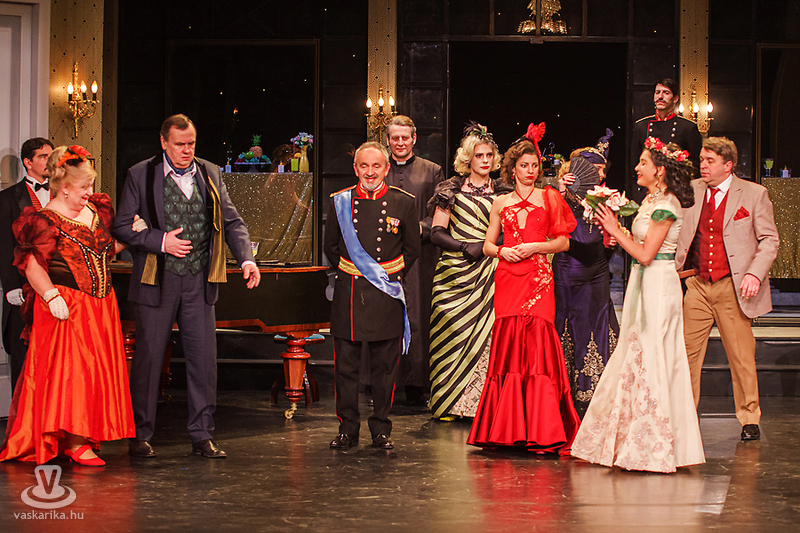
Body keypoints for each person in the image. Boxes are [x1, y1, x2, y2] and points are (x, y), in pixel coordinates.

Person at [113, 114, 261, 459]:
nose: (186, 150)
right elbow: (121, 226)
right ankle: (140, 435)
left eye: (191, 143)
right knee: (149, 359)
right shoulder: (141, 174)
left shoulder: (210, 172)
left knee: (203, 361)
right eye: (179, 144)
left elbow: (232, 221)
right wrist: (160, 241)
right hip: (157, 280)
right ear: (163, 142)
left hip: (198, 280)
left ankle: (202, 434)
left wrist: (246, 259)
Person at [571, 137, 705, 473]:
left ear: (659, 170)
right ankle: (628, 439)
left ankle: (653, 446)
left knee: (653, 353)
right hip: (643, 282)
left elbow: (647, 254)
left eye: (643, 163)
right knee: (636, 351)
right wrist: (617, 232)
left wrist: (616, 229)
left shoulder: (668, 204)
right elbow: (639, 245)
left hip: (659, 283)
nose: (636, 167)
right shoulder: (650, 200)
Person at [0, 145, 135, 466]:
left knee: (94, 373)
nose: (90, 192)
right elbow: (32, 265)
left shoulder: (95, 210)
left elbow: (102, 250)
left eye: (90, 185)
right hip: (66, 305)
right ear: (64, 187)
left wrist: (129, 237)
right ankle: (74, 441)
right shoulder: (45, 220)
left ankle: (85, 435)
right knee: (72, 374)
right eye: (83, 186)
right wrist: (50, 296)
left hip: (100, 306)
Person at [467, 123, 581, 454]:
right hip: (508, 276)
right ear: (512, 169)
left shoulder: (550, 197)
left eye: (534, 166)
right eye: (524, 165)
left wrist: (535, 247)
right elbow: (488, 245)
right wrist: (502, 251)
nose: (530, 171)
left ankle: (542, 429)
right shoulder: (500, 202)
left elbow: (563, 242)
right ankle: (507, 429)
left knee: (538, 345)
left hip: (539, 278)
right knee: (509, 345)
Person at [675, 137, 779, 441]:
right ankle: (684, 415)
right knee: (686, 354)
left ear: (728, 165)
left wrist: (755, 274)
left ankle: (749, 417)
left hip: (733, 287)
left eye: (710, 161)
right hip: (696, 284)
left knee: (741, 356)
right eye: (701, 160)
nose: (703, 166)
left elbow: (770, 240)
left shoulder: (754, 194)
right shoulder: (691, 190)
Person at [324, 141, 420, 450]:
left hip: (385, 293)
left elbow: (411, 249)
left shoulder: (403, 202)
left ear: (386, 168)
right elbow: (331, 247)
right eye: (363, 166)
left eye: (376, 166)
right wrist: (357, 271)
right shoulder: (340, 201)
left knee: (384, 369)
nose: (370, 172)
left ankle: (381, 429)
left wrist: (385, 277)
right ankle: (347, 429)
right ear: (355, 169)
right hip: (349, 293)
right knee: (345, 369)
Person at [427, 123, 511, 421]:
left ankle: (481, 406)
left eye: (489, 155)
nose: (485, 161)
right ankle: (449, 403)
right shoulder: (449, 190)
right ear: (467, 159)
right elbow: (436, 232)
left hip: (490, 273)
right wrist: (465, 247)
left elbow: (512, 230)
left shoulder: (504, 192)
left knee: (488, 338)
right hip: (454, 274)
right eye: (479, 156)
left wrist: (489, 246)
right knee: (451, 333)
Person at [553, 130, 620, 417]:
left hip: (597, 271)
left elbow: (606, 242)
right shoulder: (559, 197)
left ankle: (598, 392)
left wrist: (613, 241)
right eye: (595, 170)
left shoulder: (606, 199)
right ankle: (566, 392)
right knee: (569, 325)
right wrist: (560, 193)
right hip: (567, 271)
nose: (600, 175)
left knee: (598, 323)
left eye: (603, 170)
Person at [384, 115, 445, 406]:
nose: (400, 143)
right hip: (383, 255)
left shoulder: (432, 171)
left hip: (420, 256)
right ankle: (381, 382)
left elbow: (441, 213)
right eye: (395, 138)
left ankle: (416, 383)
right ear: (388, 140)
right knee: (385, 316)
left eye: (404, 137)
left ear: (414, 139)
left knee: (418, 317)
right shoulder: (379, 169)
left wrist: (420, 227)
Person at [0, 138, 53, 391]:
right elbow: (4, 245)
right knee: (24, 360)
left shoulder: (62, 194)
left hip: (57, 287)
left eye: (51, 156)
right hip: (23, 289)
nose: (49, 161)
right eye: (43, 156)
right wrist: (11, 286)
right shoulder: (8, 198)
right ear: (28, 162)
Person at [631, 78, 702, 201]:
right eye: (657, 92)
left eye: (666, 93)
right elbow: (634, 163)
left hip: (676, 191)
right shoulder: (641, 126)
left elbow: (695, 166)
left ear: (675, 98)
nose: (660, 96)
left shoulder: (687, 127)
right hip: (647, 191)